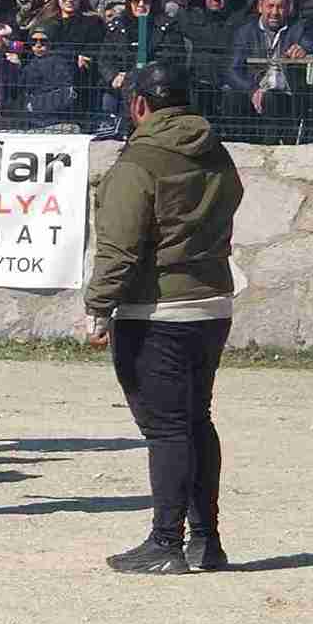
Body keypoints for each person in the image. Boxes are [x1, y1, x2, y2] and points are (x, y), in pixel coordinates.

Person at [87, 63, 244, 574]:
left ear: (138, 105)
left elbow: (120, 245)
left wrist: (98, 306)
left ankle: (164, 543)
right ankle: (206, 540)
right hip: (212, 302)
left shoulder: (139, 162)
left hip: (156, 308)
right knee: (197, 420)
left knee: (167, 428)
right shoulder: (215, 151)